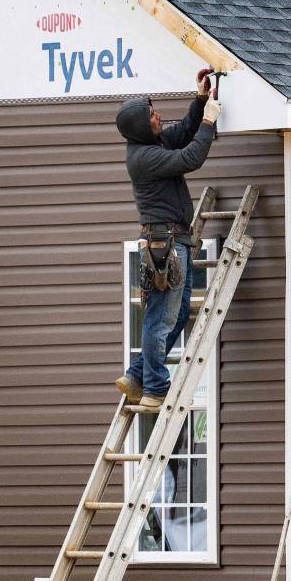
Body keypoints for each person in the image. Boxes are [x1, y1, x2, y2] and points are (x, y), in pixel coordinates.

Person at [113, 69, 221, 409]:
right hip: (166, 245)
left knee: (172, 317)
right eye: (152, 115)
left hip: (175, 241)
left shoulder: (151, 144)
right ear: (142, 127)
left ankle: (138, 375)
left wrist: (200, 101)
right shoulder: (144, 158)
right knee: (160, 319)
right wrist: (208, 123)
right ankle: (156, 388)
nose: (158, 116)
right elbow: (191, 157)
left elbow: (183, 132)